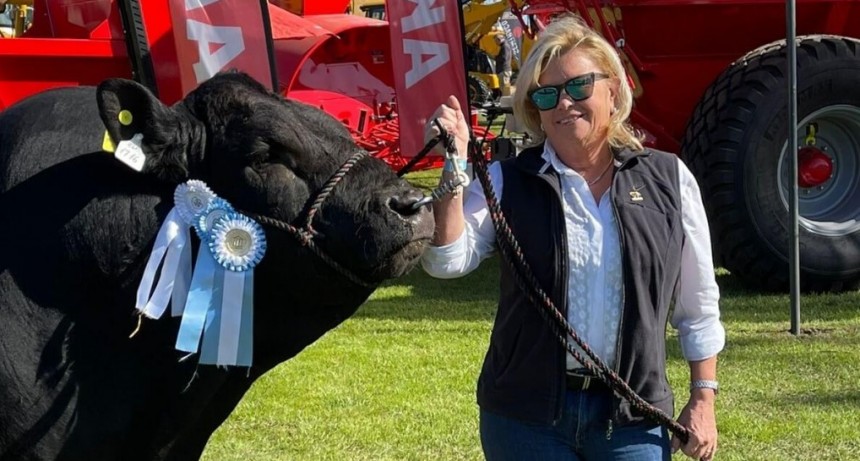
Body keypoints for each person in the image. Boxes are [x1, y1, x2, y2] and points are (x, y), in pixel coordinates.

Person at [421, 14, 725, 461]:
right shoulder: (509, 181)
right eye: (547, 94)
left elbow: (698, 306)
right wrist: (455, 165)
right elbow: (446, 260)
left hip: (632, 419)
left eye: (579, 87)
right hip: (527, 422)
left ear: (613, 90)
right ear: (535, 109)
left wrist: (703, 400)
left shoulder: (668, 179)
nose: (564, 103)